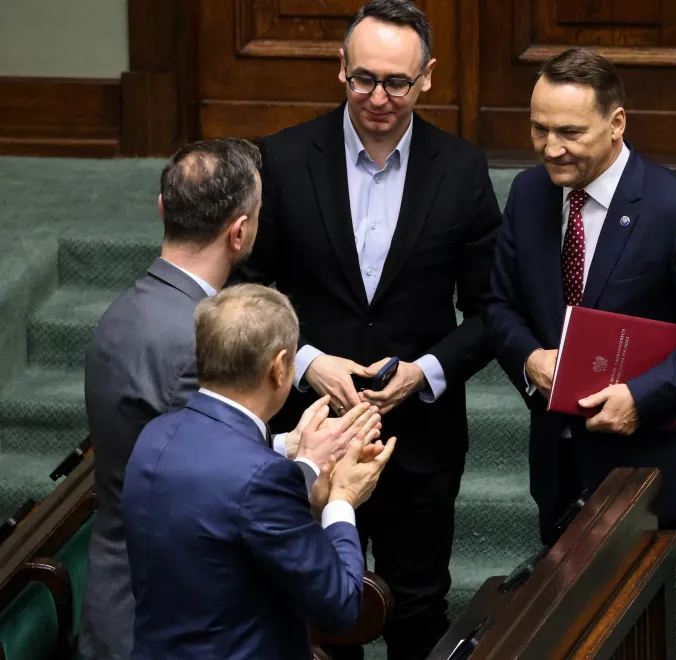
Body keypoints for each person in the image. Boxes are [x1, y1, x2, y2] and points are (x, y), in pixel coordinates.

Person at [229, 1, 502, 657]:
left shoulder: (461, 169)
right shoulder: (284, 159)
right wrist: (306, 362)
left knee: (416, 607)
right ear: (340, 68)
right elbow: (245, 289)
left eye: (397, 83)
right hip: (310, 430)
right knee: (318, 609)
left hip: (420, 437)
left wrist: (424, 374)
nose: (378, 98)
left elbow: (493, 309)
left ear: (427, 77)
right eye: (363, 79)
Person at [78, 138, 360, 660]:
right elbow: (208, 483)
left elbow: (184, 452)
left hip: (117, 589)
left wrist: (285, 447)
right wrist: (307, 469)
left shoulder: (125, 308)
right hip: (171, 616)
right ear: (240, 231)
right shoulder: (196, 340)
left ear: (164, 209)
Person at [485, 48, 676, 546]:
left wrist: (642, 397)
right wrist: (529, 359)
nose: (551, 149)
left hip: (646, 465)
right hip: (557, 459)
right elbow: (499, 304)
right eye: (539, 129)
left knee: (629, 619)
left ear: (616, 123)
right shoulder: (528, 195)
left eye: (570, 133)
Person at [121, 284, 397, 659]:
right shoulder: (263, 479)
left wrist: (299, 453)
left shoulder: (155, 435)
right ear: (279, 366)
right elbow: (341, 607)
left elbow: (225, 503)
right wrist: (341, 500)